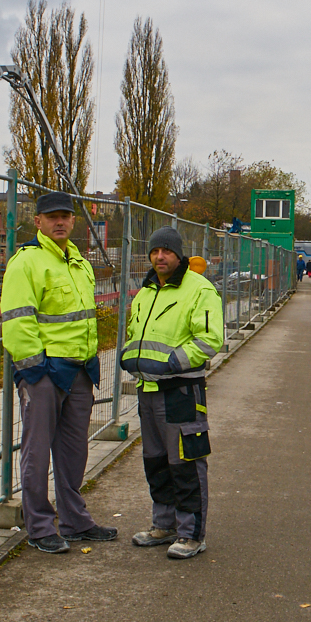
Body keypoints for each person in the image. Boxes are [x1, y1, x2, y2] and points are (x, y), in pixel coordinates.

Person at [1, 190, 115, 554]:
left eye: (66, 216)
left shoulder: (77, 260)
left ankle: (75, 521)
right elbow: (18, 321)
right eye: (53, 217)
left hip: (80, 370)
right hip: (46, 373)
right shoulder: (27, 263)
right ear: (38, 221)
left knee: (73, 451)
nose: (60, 222)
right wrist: (36, 372)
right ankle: (39, 526)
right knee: (37, 452)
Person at [119, 225, 222, 559]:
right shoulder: (147, 290)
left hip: (179, 391)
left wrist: (170, 364)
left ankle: (191, 533)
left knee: (186, 462)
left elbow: (209, 339)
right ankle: (163, 525)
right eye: (154, 251)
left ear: (179, 254)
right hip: (147, 390)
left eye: (166, 251)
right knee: (156, 462)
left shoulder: (200, 289)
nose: (159, 257)